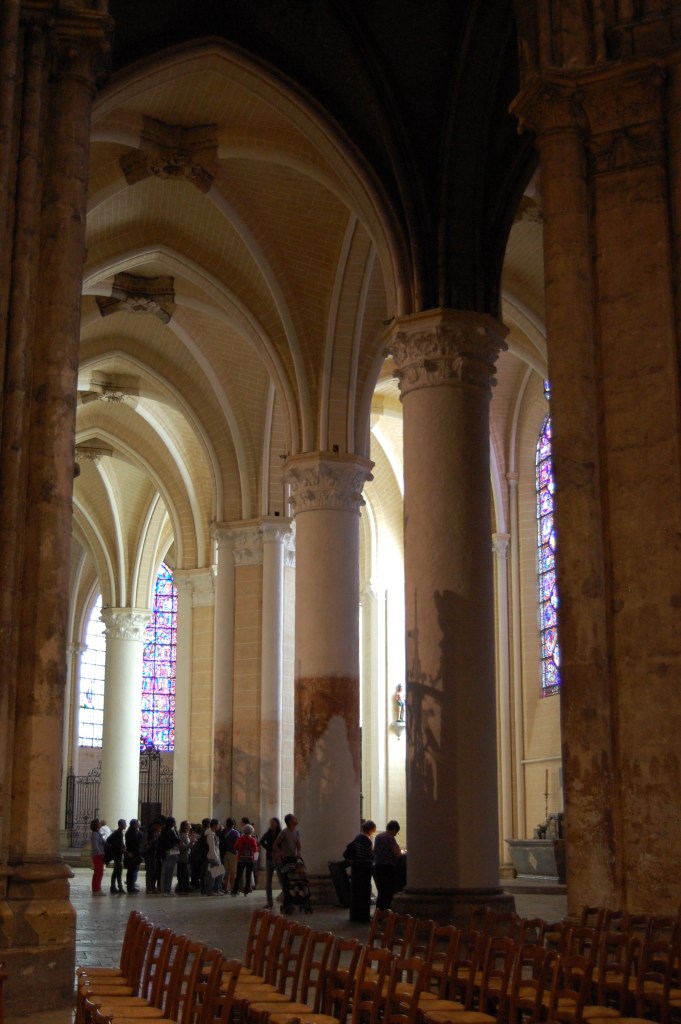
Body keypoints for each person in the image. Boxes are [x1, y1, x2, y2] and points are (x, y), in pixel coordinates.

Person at [372, 819, 405, 911]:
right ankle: (387, 911)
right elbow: (397, 854)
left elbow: (374, 851)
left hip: (378, 866)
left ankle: (379, 912)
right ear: (394, 829)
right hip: (389, 867)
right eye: (396, 832)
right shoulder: (390, 838)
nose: (395, 834)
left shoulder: (378, 836)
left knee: (381, 890)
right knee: (389, 890)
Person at [258, 816, 282, 909]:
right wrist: (269, 849)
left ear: (277, 823)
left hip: (278, 858)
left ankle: (285, 899)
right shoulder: (268, 833)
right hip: (269, 858)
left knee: (281, 879)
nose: (272, 824)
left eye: (273, 822)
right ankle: (269, 902)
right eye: (271, 822)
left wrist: (279, 851)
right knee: (268, 882)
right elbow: (261, 841)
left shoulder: (280, 833)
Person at [232, 824, 258, 896]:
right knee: (248, 876)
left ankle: (234, 891)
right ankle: (246, 891)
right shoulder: (253, 839)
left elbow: (236, 847)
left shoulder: (240, 838)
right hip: (250, 859)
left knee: (238, 875)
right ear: (251, 831)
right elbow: (255, 849)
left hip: (241, 858)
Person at [158, 815, 181, 895]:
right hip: (169, 852)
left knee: (166, 871)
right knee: (168, 872)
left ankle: (165, 889)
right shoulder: (171, 831)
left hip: (168, 852)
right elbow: (178, 839)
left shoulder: (164, 830)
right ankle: (166, 889)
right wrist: (175, 829)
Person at [220, 817, 240, 894]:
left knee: (226, 872)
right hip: (233, 853)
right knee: (233, 872)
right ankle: (233, 889)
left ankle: (226, 889)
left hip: (224, 853)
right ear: (233, 824)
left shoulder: (223, 832)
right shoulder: (236, 833)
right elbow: (238, 844)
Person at [203, 818, 222, 896]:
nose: (219, 826)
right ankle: (210, 890)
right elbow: (212, 848)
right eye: (218, 824)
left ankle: (217, 889)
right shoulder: (210, 834)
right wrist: (216, 858)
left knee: (219, 873)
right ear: (214, 825)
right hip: (212, 857)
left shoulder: (213, 833)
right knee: (212, 875)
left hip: (216, 856)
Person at [108, 819, 127, 895]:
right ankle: (120, 887)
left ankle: (113, 886)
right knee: (118, 871)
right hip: (117, 854)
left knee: (116, 871)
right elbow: (116, 844)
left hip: (117, 854)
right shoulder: (118, 833)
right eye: (124, 824)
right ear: (121, 825)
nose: (125, 825)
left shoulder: (118, 832)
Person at [124, 819, 143, 893]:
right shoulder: (130, 833)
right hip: (132, 853)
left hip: (135, 853)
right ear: (134, 825)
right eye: (137, 824)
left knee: (133, 870)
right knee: (131, 870)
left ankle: (131, 885)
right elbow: (135, 842)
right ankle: (130, 887)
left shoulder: (135, 832)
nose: (138, 825)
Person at [90, 818, 106, 895]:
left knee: (99, 873)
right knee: (98, 873)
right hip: (97, 856)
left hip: (100, 855)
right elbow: (95, 846)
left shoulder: (98, 833)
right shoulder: (95, 834)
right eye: (99, 823)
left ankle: (97, 888)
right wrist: (100, 853)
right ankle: (96, 889)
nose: (100, 824)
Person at [176, 821, 192, 894]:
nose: (190, 825)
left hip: (186, 856)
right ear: (185, 826)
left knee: (186, 873)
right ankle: (180, 888)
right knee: (182, 873)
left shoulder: (186, 834)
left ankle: (185, 887)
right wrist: (190, 844)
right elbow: (182, 847)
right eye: (189, 824)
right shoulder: (182, 835)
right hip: (183, 857)